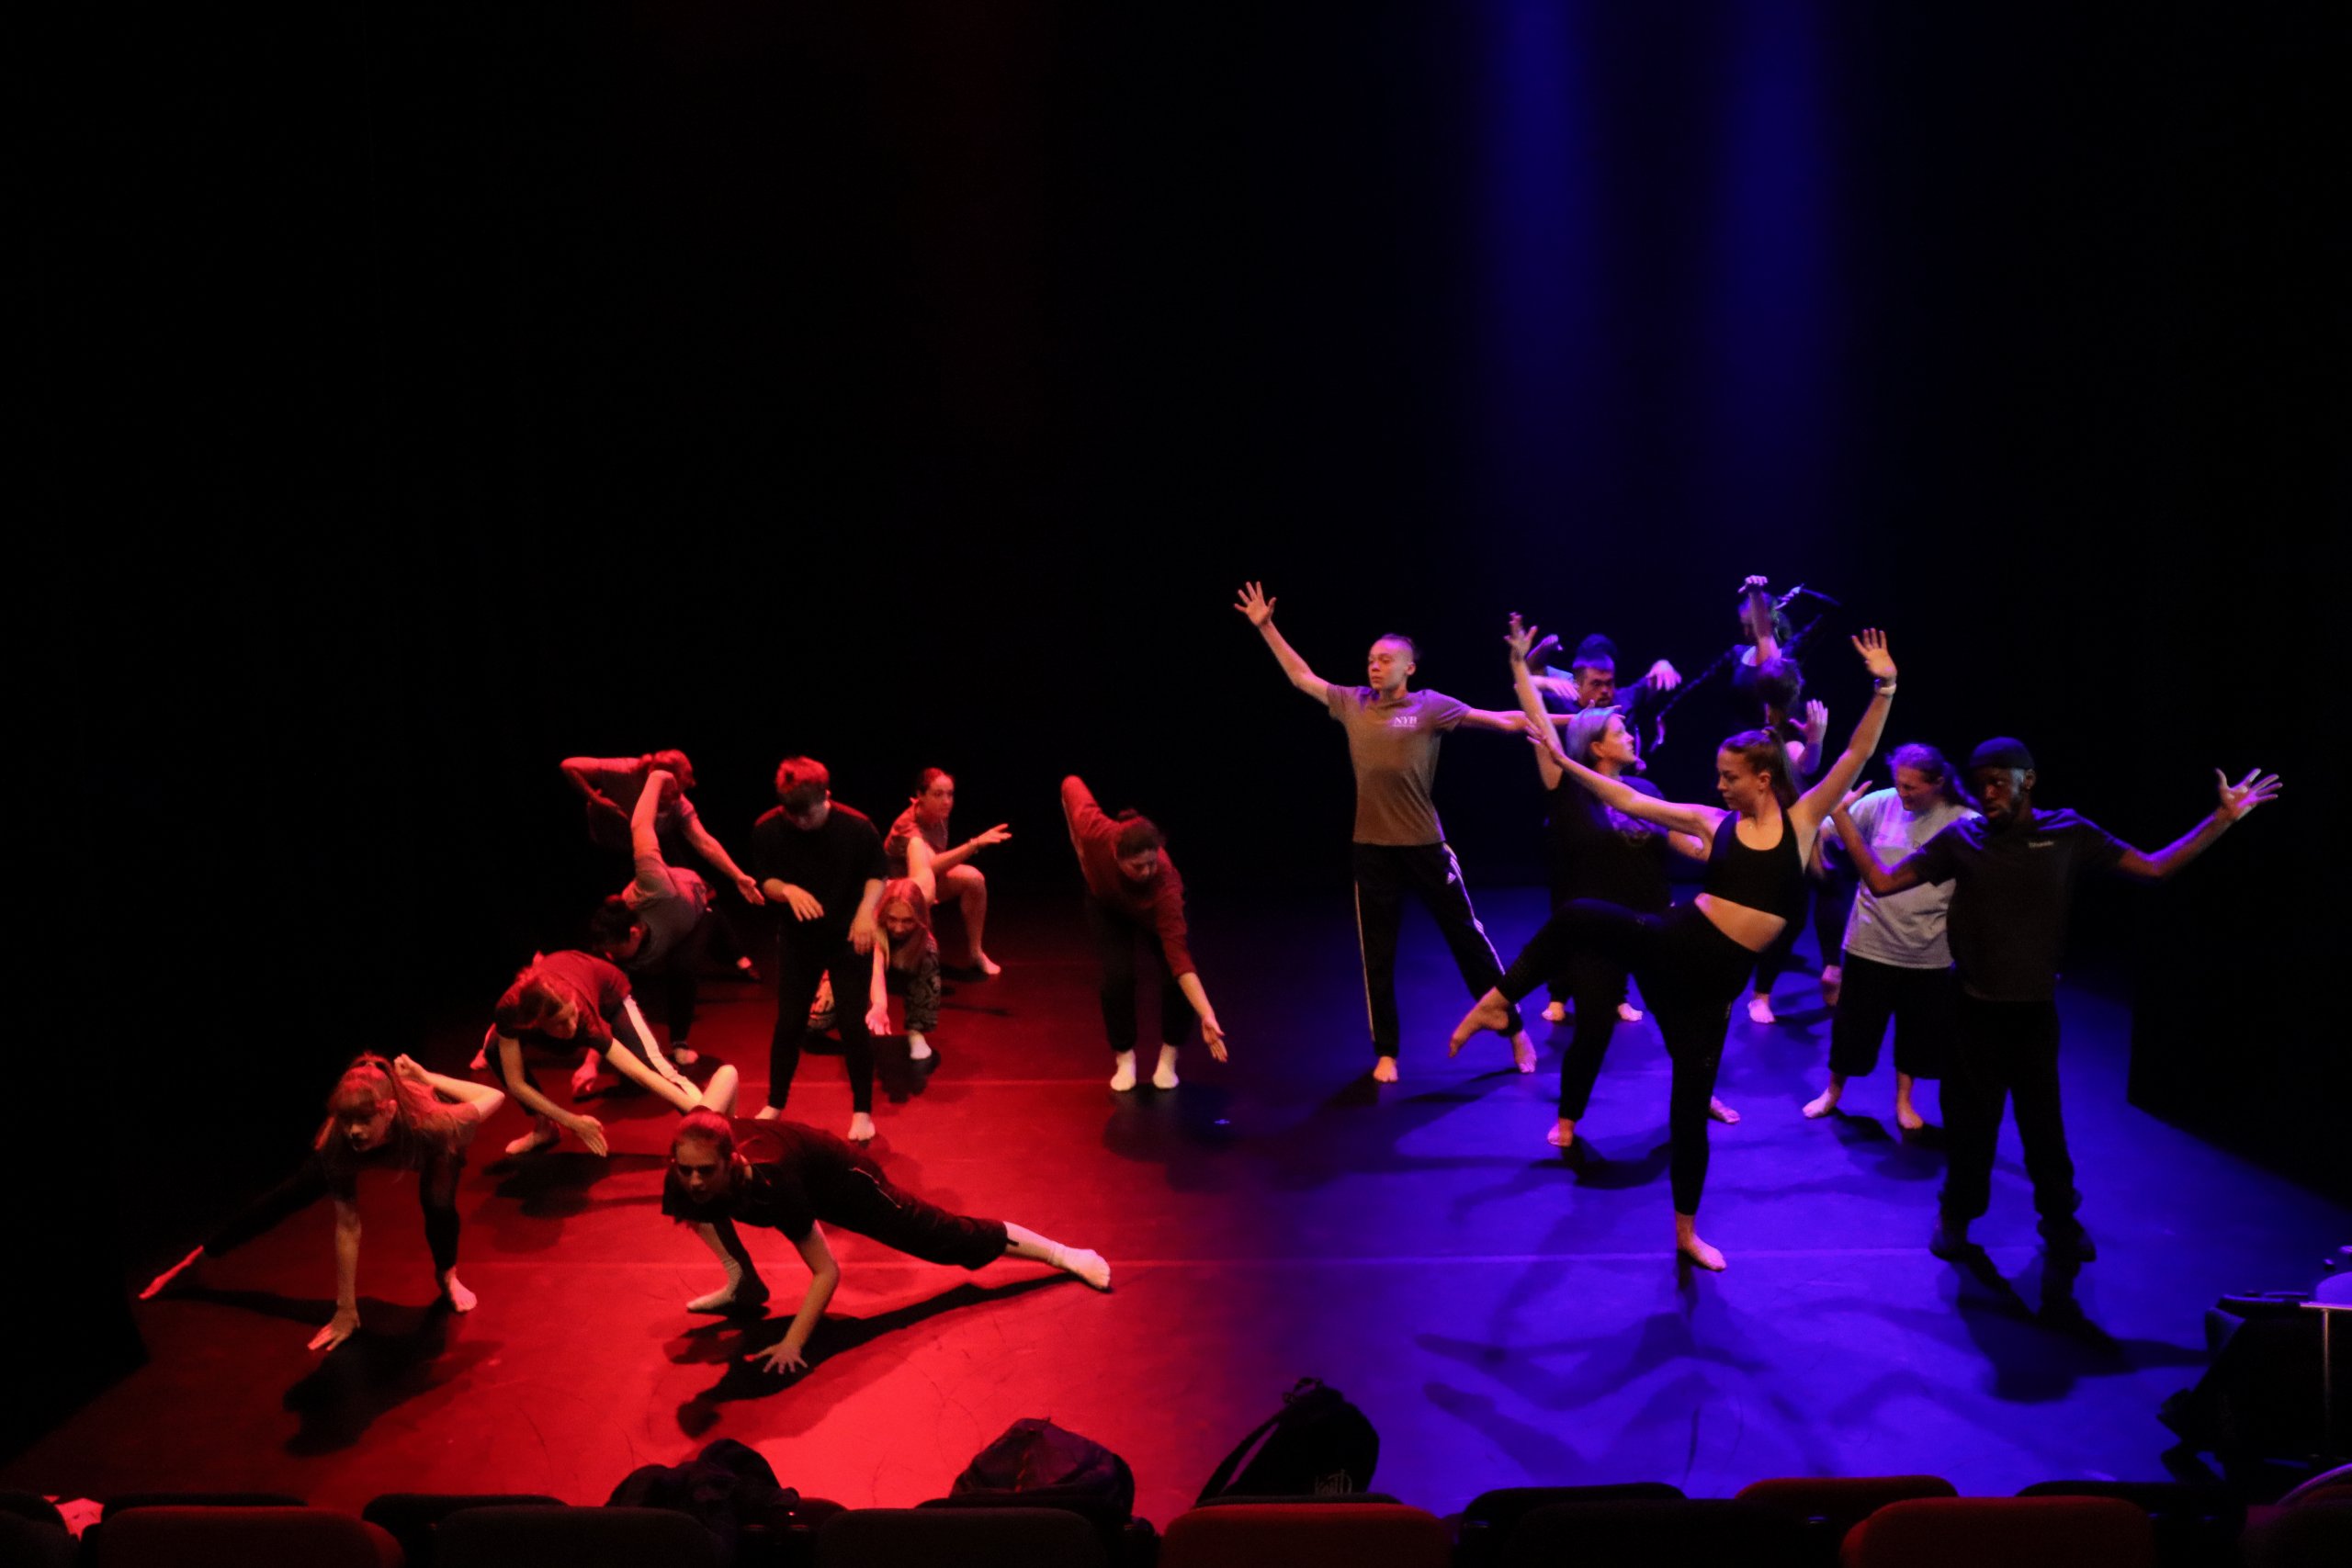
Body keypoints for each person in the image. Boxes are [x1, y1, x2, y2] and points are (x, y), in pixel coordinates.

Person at [1453, 620, 1901, 1270]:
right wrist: (1572, 762)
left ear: (1762, 776)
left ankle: (1686, 1233)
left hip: (1714, 986)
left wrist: (1884, 686)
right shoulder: (1710, 820)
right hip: (1676, 943)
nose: (1718, 785)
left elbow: (1854, 757)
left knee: (1689, 1111)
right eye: (1717, 776)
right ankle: (1497, 1001)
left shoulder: (1802, 822)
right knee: (1579, 914)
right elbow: (1622, 793)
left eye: (1728, 775)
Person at [1835, 739, 2280, 1261]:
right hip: (1973, 1010)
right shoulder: (1963, 837)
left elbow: (2156, 868)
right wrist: (1842, 818)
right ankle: (1956, 1215)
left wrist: (2221, 820)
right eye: (1982, 782)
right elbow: (1884, 882)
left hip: (2032, 1012)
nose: (1989, 790)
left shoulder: (2067, 831)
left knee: (2043, 1125)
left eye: (2000, 780)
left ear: (2030, 780)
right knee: (1970, 1126)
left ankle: (2060, 1221)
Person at [1235, 581, 1535, 1083]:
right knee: (1378, 952)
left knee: (1467, 937)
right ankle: (1387, 1052)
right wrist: (1266, 626)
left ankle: (1514, 1028)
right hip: (1371, 851)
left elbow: (1503, 722)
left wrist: (1572, 721)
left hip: (1425, 847)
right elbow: (1301, 676)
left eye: (1384, 659)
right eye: (1370, 659)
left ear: (1408, 668)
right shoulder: (1353, 703)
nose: (1374, 665)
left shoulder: (1432, 707)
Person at [1505, 619, 1734, 1150]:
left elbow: (1683, 840)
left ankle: (1702, 1099)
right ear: (1596, 747)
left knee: (1684, 1027)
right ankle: (1567, 1120)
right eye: (1620, 733)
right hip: (1597, 937)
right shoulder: (1566, 787)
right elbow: (1539, 723)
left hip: (1654, 928)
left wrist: (1725, 851)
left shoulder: (1645, 788)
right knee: (1594, 1030)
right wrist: (1521, 667)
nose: (1631, 734)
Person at [663, 1106, 1111, 1374]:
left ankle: (1063, 1254)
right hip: (793, 1183)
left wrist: (793, 1343)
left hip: (846, 1184)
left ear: (732, 1158)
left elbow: (826, 1271)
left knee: (945, 1238)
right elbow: (724, 1087)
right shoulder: (686, 1171)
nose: (695, 1180)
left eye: (706, 1170)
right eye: (687, 1170)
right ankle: (743, 1282)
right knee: (698, 1208)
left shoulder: (772, 1179)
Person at [138, 1054, 505, 1350]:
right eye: (346, 1120)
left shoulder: (434, 1124)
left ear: (389, 1110)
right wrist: (346, 1309)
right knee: (289, 1195)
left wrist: (428, 1078)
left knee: (439, 1203)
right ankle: (196, 1260)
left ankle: (447, 1276)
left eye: (363, 1120)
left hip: (426, 1147)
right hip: (372, 1141)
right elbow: (348, 1224)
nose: (354, 1130)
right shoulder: (341, 1141)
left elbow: (493, 1096)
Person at [1801, 745, 1975, 1132]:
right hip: (1871, 940)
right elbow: (1824, 828)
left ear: (1939, 783)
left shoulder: (1965, 821)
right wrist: (1819, 854)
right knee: (1852, 1028)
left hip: (1928, 949)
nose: (1903, 794)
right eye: (1899, 785)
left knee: (1917, 1033)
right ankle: (1833, 1092)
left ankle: (1904, 1102)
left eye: (1912, 787)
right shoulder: (1881, 804)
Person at [1061, 774, 1228, 1091]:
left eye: (1151, 863)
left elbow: (1181, 962)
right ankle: (1125, 1058)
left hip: (1153, 915)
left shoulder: (1165, 886)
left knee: (1173, 979)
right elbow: (1070, 784)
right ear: (1116, 854)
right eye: (1138, 867)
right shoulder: (1095, 832)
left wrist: (1207, 1014)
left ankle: (1168, 1056)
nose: (1146, 871)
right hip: (1107, 904)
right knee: (1117, 978)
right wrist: (1079, 847)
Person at [754, 758, 888, 1143]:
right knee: (789, 1023)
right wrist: (787, 889)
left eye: (808, 814)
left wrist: (866, 913)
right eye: (792, 815)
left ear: (826, 796)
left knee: (851, 1024)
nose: (800, 822)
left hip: (849, 938)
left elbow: (877, 874)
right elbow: (765, 880)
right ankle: (775, 1103)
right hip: (800, 940)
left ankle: (862, 1111)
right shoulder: (768, 829)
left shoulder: (857, 827)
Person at [485, 949, 716, 1157]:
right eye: (560, 1023)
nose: (572, 1027)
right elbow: (516, 1083)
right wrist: (571, 1121)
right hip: (559, 1000)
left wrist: (706, 1118)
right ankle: (545, 1127)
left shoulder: (585, 1020)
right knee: (494, 1049)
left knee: (653, 1067)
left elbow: (639, 1073)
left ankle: (713, 1126)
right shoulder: (510, 1010)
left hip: (611, 996)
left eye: (572, 1015)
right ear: (534, 1023)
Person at [561, 749, 764, 982]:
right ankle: (614, 968)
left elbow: (703, 841)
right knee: (616, 911)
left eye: (681, 792)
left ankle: (736, 956)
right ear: (658, 778)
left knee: (701, 895)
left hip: (652, 848)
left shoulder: (679, 804)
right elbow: (569, 765)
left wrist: (738, 876)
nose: (678, 798)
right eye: (673, 791)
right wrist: (596, 799)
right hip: (612, 849)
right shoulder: (625, 770)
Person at [585, 766, 729, 1066]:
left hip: (695, 905)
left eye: (616, 949)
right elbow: (604, 1007)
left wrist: (657, 777)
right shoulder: (618, 937)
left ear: (635, 933)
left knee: (683, 965)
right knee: (615, 980)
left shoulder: (654, 888)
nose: (613, 955)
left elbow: (641, 828)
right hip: (669, 909)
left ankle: (679, 1041)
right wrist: (590, 1065)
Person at [885, 769, 1010, 976]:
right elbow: (928, 867)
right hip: (897, 892)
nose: (946, 801)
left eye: (950, 794)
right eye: (938, 794)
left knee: (974, 879)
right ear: (920, 796)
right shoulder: (908, 827)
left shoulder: (939, 814)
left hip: (927, 882)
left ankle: (976, 952)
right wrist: (975, 844)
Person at [809, 873, 943, 1064]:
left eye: (907, 921)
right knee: (814, 1023)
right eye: (893, 919)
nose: (898, 928)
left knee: (929, 956)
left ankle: (916, 1032)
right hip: (856, 970)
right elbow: (876, 967)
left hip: (901, 969)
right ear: (883, 915)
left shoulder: (923, 939)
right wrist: (880, 1005)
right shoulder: (871, 924)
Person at [1526, 632, 1681, 756]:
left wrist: (1663, 664)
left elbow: (1653, 681)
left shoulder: (1623, 698)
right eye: (1596, 684)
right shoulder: (1562, 704)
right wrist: (1543, 678)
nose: (1605, 690)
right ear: (1577, 685)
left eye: (1609, 683)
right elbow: (1522, 681)